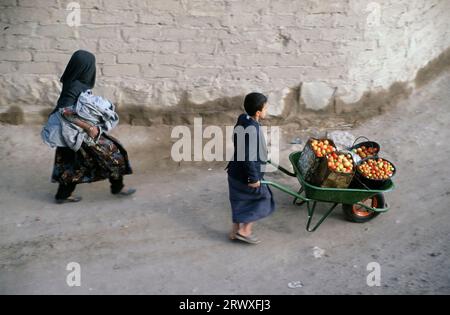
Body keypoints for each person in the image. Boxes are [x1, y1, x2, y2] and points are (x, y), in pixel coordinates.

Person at [48, 50, 135, 204]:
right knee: (113, 153)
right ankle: (117, 187)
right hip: (78, 133)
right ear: (86, 68)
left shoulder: (72, 80)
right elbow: (65, 111)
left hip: (69, 133)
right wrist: (89, 127)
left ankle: (62, 195)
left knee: (72, 164)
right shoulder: (74, 86)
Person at [226, 92, 276, 244]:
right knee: (264, 198)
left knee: (238, 200)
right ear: (258, 112)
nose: (267, 110)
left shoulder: (243, 118)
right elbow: (248, 156)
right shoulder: (253, 130)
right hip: (245, 175)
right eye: (265, 108)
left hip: (234, 171)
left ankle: (234, 231)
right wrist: (253, 178)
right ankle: (245, 231)